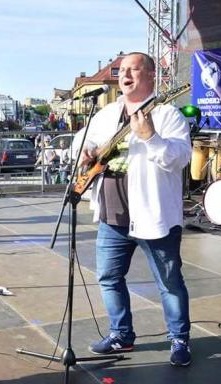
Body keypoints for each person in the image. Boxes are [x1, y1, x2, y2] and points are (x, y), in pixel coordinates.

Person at [75, 52, 192, 366]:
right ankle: (121, 335)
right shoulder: (106, 113)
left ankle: (179, 339)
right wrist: (84, 151)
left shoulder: (167, 114)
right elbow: (80, 143)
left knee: (169, 282)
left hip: (154, 218)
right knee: (109, 278)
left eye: (133, 69)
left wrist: (150, 137)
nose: (125, 75)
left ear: (151, 75)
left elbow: (180, 158)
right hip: (112, 217)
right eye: (122, 70)